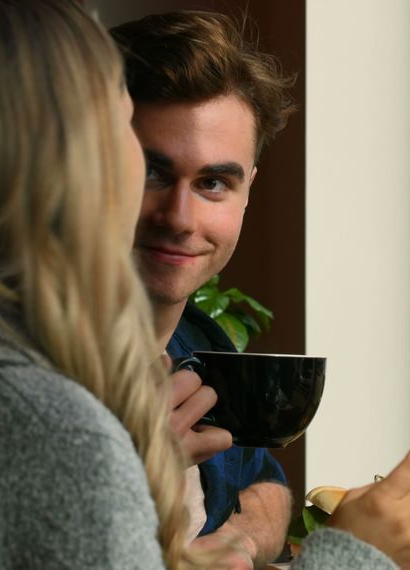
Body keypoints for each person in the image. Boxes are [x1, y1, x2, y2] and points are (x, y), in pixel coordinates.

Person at [0, 1, 410, 568]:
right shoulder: (55, 426)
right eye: (130, 143)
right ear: (75, 165)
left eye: (215, 181)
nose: (177, 214)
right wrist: (357, 555)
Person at [110, 12, 298, 565]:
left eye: (213, 182)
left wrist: (240, 541)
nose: (180, 218)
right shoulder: (14, 375)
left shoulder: (199, 344)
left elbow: (265, 483)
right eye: (152, 173)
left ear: (247, 192)